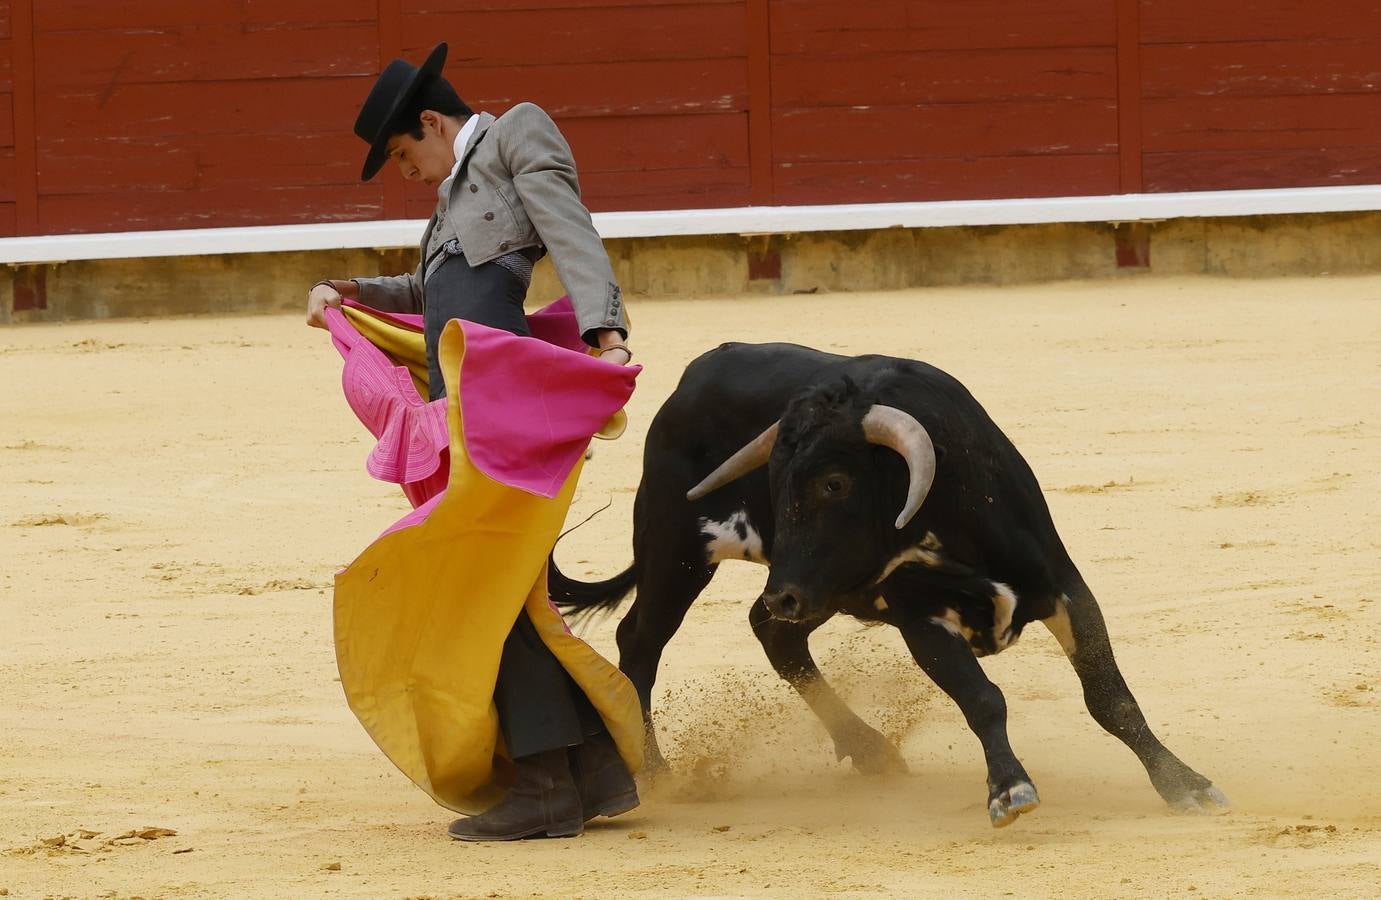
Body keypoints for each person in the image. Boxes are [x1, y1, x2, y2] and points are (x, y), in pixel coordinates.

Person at [306, 42, 638, 842]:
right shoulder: (452, 201)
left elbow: (570, 229)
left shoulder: (517, 133)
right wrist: (352, 293)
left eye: (401, 152)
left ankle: (551, 782)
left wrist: (606, 329)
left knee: (477, 587)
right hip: (461, 410)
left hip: (502, 409)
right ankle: (590, 771)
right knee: (499, 588)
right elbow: (437, 290)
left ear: (430, 121)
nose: (403, 170)